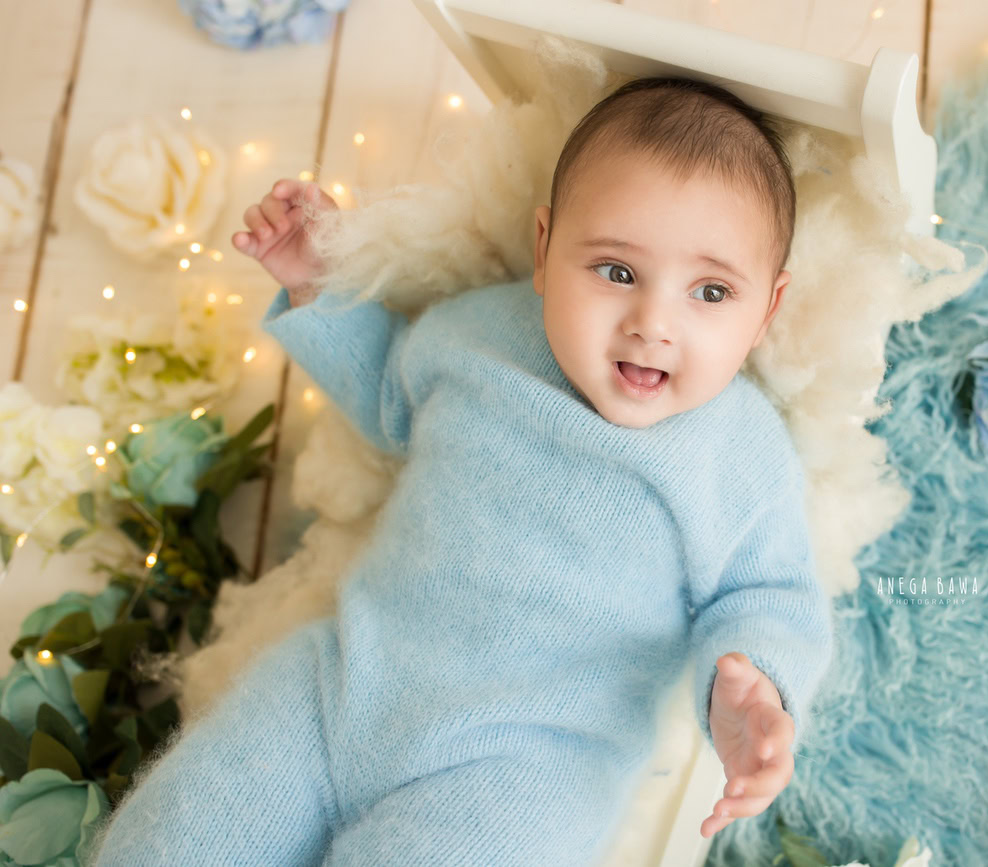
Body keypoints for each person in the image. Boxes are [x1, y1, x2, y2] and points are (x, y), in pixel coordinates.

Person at [88, 76, 835, 866]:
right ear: (545, 251)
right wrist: (316, 280)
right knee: (174, 836)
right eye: (616, 271)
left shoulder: (737, 450)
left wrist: (753, 690)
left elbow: (767, 593)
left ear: (767, 310)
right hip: (340, 686)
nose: (653, 323)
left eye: (710, 291)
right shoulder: (480, 334)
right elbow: (389, 393)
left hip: (524, 764)